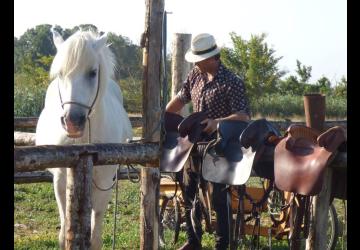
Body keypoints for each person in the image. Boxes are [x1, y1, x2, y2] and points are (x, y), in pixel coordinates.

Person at [166, 33, 251, 250]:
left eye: (199, 59)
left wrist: (218, 122)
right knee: (189, 192)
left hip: (219, 145)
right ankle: (194, 240)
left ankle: (222, 244)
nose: (195, 63)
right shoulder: (195, 76)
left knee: (219, 198)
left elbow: (243, 116)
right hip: (194, 143)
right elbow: (176, 103)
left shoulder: (232, 82)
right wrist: (164, 115)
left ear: (212, 58)